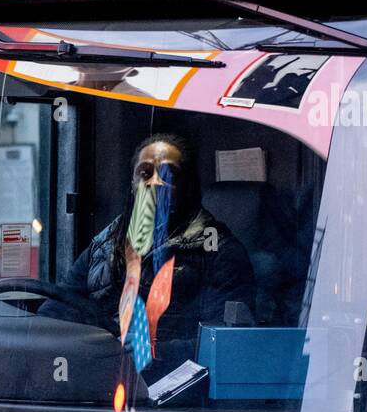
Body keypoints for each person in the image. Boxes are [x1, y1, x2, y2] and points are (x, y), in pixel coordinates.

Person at [39, 133, 256, 371]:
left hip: (171, 390)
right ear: (133, 185)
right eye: (144, 174)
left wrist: (156, 352)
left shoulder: (221, 253)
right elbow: (59, 307)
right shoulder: (107, 243)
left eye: (167, 175)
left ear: (187, 187)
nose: (154, 183)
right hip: (101, 374)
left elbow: (226, 344)